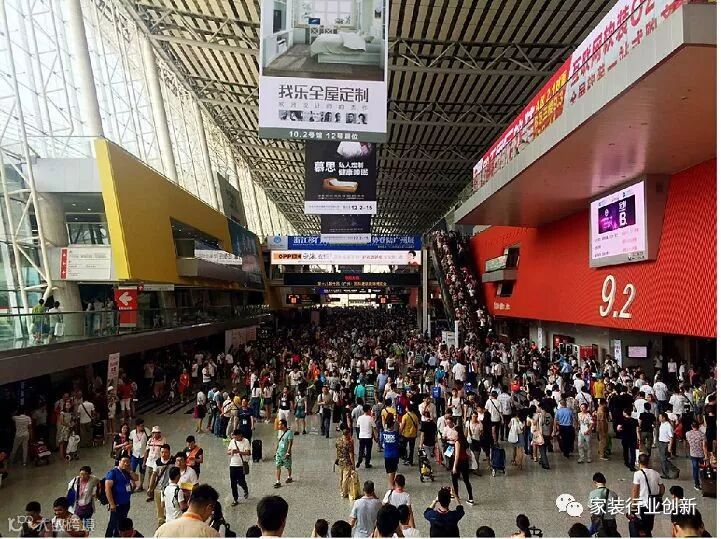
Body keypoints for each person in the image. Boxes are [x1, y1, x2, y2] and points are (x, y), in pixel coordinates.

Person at [154, 483, 220, 537]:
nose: (210, 514)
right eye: (212, 510)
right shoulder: (210, 534)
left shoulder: (162, 530)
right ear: (208, 508)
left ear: (188, 502)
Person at [631, 453, 665, 537]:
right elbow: (662, 487)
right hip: (653, 503)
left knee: (644, 524)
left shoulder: (637, 474)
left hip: (643, 503)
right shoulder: (656, 473)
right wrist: (659, 496)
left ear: (639, 462)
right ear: (648, 462)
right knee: (649, 523)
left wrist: (634, 505)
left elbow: (635, 490)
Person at [105, 456, 137, 537]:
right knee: (113, 522)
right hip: (117, 503)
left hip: (126, 503)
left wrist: (130, 471)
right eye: (124, 461)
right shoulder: (113, 473)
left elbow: (136, 478)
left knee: (122, 522)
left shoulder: (127, 472)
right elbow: (107, 489)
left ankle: (118, 536)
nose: (126, 463)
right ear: (119, 462)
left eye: (128, 462)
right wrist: (112, 504)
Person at [146, 444, 173, 527]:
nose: (164, 454)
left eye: (166, 452)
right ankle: (160, 523)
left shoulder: (173, 461)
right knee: (159, 507)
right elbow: (154, 475)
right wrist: (150, 488)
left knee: (170, 506)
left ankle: (170, 522)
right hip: (159, 488)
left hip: (170, 488)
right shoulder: (157, 462)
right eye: (162, 452)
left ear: (169, 452)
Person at [588, 472, 618, 537]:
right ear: (604, 481)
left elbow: (590, 507)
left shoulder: (592, 493)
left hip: (599, 522)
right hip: (611, 521)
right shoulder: (613, 494)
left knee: (588, 532)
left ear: (595, 482)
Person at [450, 424, 474, 505]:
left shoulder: (457, 442)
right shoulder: (464, 440)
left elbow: (457, 456)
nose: (453, 434)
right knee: (466, 480)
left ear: (457, 433)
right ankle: (471, 498)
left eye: (454, 432)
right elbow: (468, 452)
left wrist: (454, 466)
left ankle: (456, 495)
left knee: (454, 478)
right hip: (465, 462)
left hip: (459, 462)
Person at [228, 428, 251, 505]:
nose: (235, 439)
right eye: (234, 437)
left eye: (236, 437)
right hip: (233, 464)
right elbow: (228, 452)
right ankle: (235, 498)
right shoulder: (232, 441)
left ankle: (245, 488)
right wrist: (231, 451)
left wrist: (238, 452)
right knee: (233, 482)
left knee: (241, 481)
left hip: (241, 464)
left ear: (240, 435)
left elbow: (248, 453)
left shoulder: (246, 441)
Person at [380, 413, 401, 489]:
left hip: (387, 455)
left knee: (389, 471)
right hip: (395, 454)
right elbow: (398, 442)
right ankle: (391, 484)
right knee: (393, 469)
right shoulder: (395, 434)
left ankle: (391, 484)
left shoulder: (383, 434)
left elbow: (382, 444)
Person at [686, 421, 707, 491]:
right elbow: (704, 446)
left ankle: (696, 484)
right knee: (702, 469)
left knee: (695, 469)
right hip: (701, 454)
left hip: (693, 454)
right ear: (699, 426)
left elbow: (688, 442)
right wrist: (706, 456)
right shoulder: (702, 435)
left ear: (691, 426)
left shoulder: (688, 433)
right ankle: (704, 483)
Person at [336, 424, 355, 498]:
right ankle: (344, 493)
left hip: (340, 461)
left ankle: (341, 490)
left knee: (341, 477)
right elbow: (351, 455)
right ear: (348, 434)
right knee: (345, 478)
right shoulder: (349, 443)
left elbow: (337, 450)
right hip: (347, 462)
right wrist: (353, 465)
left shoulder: (338, 441)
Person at [274, 419, 294, 488]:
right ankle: (278, 481)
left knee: (288, 466)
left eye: (279, 424)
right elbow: (279, 441)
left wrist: (288, 452)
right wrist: (276, 450)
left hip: (285, 453)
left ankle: (289, 477)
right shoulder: (280, 432)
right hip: (279, 452)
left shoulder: (289, 432)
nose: (278, 426)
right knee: (278, 466)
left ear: (283, 425)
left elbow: (290, 443)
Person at [658, 412, 675, 478]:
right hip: (661, 442)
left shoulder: (668, 426)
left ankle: (670, 471)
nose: (659, 418)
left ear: (664, 418)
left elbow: (671, 437)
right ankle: (665, 473)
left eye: (660, 417)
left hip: (665, 443)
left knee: (664, 459)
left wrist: (670, 446)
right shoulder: (662, 424)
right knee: (663, 459)